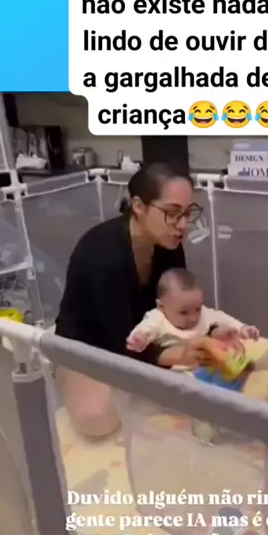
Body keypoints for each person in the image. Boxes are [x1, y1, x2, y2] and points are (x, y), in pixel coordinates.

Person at [55, 163, 213, 439]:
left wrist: (211, 333)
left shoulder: (169, 247)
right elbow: (118, 340)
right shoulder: (102, 253)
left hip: (144, 338)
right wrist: (174, 355)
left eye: (188, 213)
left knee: (202, 391)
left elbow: (177, 308)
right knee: (98, 420)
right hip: (87, 348)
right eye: (172, 213)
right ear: (139, 206)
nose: (183, 225)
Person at [127, 267, 260, 367]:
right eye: (184, 312)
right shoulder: (157, 319)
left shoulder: (204, 315)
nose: (193, 318)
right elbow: (142, 332)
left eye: (197, 309)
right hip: (172, 375)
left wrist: (243, 329)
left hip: (205, 369)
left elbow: (224, 318)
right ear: (162, 307)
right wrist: (139, 340)